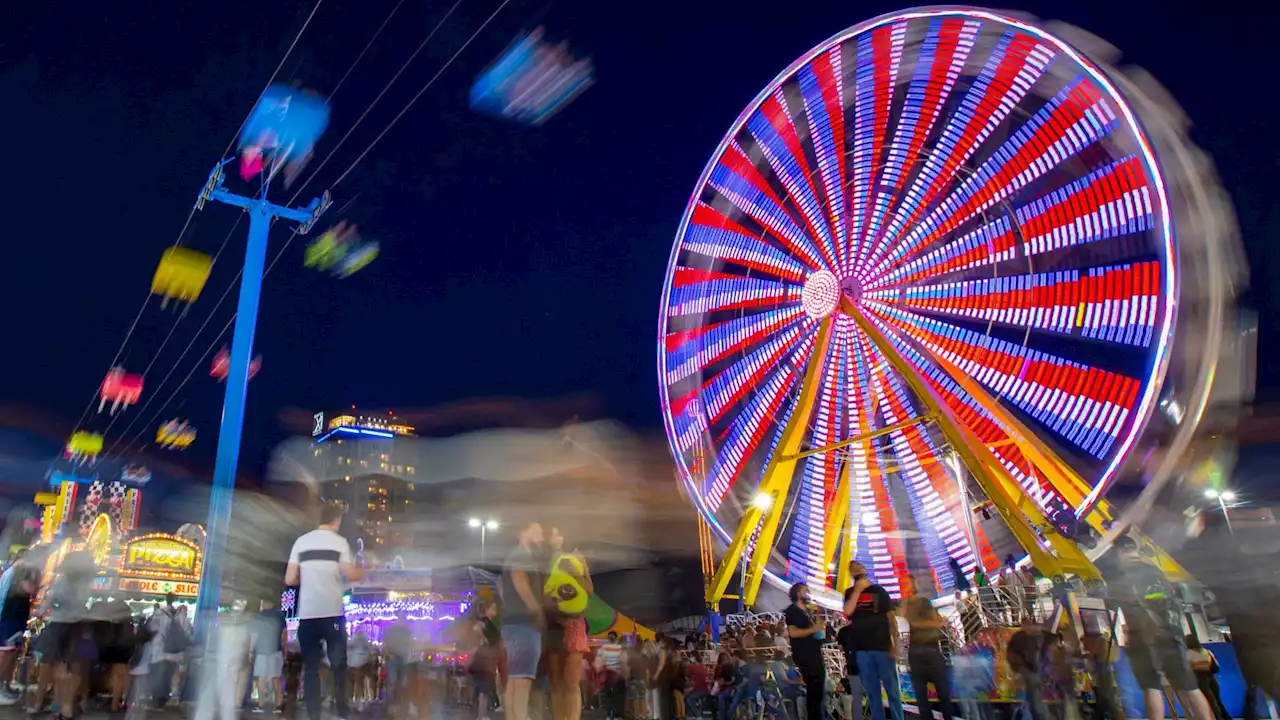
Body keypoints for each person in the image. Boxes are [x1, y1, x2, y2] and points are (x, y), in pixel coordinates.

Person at [1110, 536, 1212, 720]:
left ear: (1120, 552)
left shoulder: (1124, 576)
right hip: (1173, 633)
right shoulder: (1155, 571)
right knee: (1189, 685)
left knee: (1151, 686)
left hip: (1144, 635)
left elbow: (1118, 602)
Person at [285, 505, 364, 720]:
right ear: (336, 521)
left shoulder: (301, 542)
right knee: (338, 666)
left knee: (310, 668)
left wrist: (308, 578)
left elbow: (289, 579)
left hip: (308, 615)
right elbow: (351, 574)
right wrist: (365, 568)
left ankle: (314, 715)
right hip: (332, 615)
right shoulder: (339, 543)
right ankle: (341, 713)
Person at [544, 527, 593, 720]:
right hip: (551, 622)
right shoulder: (541, 560)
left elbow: (589, 590)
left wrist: (578, 575)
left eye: (558, 533)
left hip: (573, 621)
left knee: (572, 682)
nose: (554, 538)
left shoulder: (576, 557)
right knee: (556, 682)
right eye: (551, 534)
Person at [842, 562, 901, 720]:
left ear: (865, 570)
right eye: (852, 568)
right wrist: (857, 591)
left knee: (892, 691)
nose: (855, 569)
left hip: (882, 647)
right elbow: (847, 611)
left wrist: (895, 644)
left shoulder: (879, 591)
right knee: (873, 693)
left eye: (858, 566)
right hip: (862, 649)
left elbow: (891, 619)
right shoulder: (849, 593)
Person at [501, 519, 547, 720]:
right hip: (524, 625)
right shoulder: (522, 555)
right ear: (524, 531)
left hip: (513, 624)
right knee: (522, 680)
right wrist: (537, 610)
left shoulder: (513, 556)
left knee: (515, 678)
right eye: (538, 529)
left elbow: (504, 591)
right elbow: (519, 578)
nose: (542, 535)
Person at [901, 576, 955, 720]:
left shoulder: (905, 605)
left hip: (915, 653)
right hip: (930, 651)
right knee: (943, 694)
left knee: (922, 698)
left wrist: (915, 622)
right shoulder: (923, 602)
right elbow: (934, 623)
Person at [783, 582, 825, 720]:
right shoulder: (792, 611)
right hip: (806, 657)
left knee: (818, 694)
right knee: (814, 694)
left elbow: (816, 634)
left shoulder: (806, 612)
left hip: (814, 655)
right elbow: (793, 633)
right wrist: (813, 629)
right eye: (805, 591)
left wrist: (818, 626)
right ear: (798, 594)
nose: (808, 593)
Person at [0, 554, 36, 704]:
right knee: (6, 654)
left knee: (12, 654)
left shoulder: (12, 574)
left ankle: (5, 685)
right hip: (9, 621)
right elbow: (30, 588)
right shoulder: (18, 575)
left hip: (14, 621)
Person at [1006, 618, 1050, 720]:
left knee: (1033, 700)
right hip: (1028, 671)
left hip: (1030, 671)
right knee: (1034, 701)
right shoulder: (1023, 638)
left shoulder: (1030, 638)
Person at [251, 597, 286, 712]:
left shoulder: (258, 616)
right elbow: (285, 635)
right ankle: (278, 705)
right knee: (277, 679)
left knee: (261, 678)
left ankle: (261, 705)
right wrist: (284, 650)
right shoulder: (280, 615)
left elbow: (254, 636)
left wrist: (250, 651)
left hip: (261, 652)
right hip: (276, 650)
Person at [1186, 635, 1230, 720]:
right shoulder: (1206, 651)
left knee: (1210, 702)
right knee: (1217, 700)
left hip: (1200, 680)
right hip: (1212, 678)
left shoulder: (1188, 654)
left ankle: (1217, 718)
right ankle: (1225, 718)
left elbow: (1188, 669)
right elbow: (1216, 666)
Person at [835, 621, 862, 720]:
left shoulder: (843, 631)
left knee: (857, 699)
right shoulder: (865, 628)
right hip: (867, 666)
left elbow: (840, 648)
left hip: (853, 667)